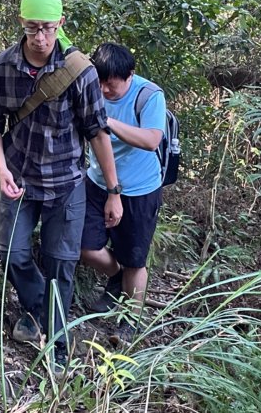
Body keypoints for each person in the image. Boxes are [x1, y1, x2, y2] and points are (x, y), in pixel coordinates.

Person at [0, 0, 123, 371]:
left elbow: (97, 131)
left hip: (66, 183)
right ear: (21, 25)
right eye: (32, 29)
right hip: (19, 179)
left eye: (47, 28)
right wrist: (1, 167)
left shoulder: (81, 72)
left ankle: (57, 348)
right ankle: (45, 316)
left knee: (61, 265)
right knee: (13, 255)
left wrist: (113, 191)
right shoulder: (3, 68)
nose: (40, 38)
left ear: (61, 23)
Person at [81, 43, 166, 345]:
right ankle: (116, 276)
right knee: (85, 246)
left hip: (140, 190)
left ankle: (130, 320)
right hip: (96, 182)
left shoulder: (149, 96)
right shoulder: (93, 87)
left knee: (135, 260)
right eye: (100, 82)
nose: (103, 90)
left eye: (111, 85)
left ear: (129, 75)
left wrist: (110, 122)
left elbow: (152, 139)